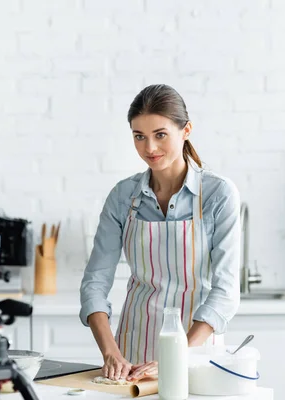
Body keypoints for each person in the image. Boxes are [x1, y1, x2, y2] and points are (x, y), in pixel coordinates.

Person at [79, 84, 241, 383]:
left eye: (160, 135)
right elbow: (94, 282)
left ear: (186, 130)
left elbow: (226, 291)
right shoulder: (122, 196)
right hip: (132, 353)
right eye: (139, 136)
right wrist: (110, 352)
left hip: (196, 353)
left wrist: (179, 356)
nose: (149, 148)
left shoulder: (218, 194)